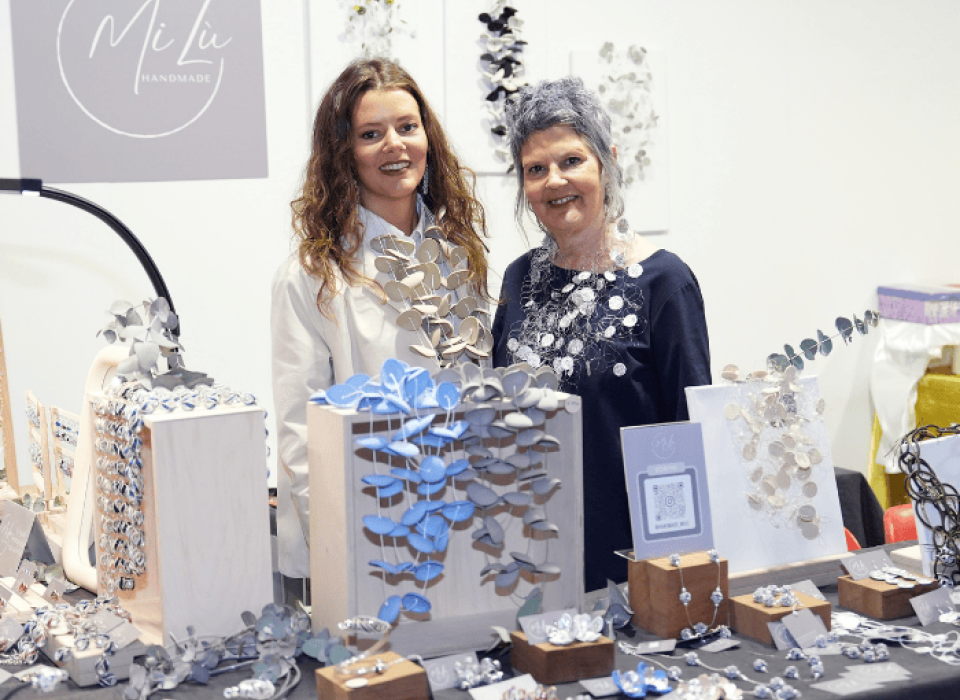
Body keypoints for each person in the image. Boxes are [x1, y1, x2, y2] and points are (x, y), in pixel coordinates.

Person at [272, 58, 489, 581]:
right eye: (371, 134)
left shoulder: (461, 255)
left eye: (407, 127)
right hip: (367, 532)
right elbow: (301, 433)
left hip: (463, 519)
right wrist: (339, 544)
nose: (395, 145)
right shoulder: (312, 276)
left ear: (428, 138)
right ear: (343, 153)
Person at [492, 77, 711, 592]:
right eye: (536, 169)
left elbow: (688, 437)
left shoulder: (664, 282)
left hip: (632, 564)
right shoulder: (518, 278)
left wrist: (677, 573)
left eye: (571, 161)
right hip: (528, 554)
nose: (554, 181)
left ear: (607, 163)